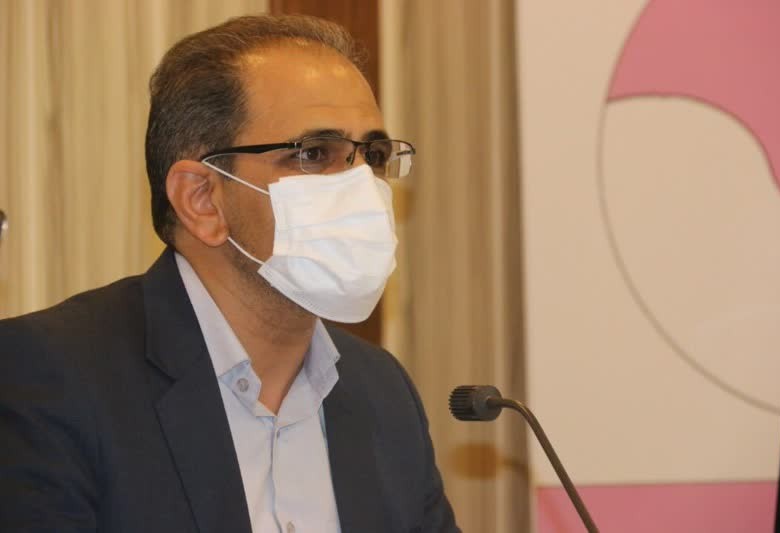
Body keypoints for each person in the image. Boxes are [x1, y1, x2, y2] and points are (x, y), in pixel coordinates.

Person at [0, 14, 459, 533]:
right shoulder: (48, 376)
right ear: (202, 199)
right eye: (314, 154)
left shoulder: (382, 391)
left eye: (371, 156)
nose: (359, 186)